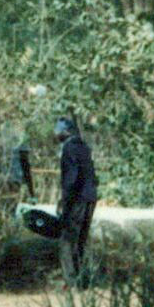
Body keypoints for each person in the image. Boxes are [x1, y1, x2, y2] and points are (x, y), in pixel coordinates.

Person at [54, 116, 98, 286]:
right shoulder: (84, 147)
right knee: (81, 240)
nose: (56, 135)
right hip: (90, 197)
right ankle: (83, 279)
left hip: (77, 199)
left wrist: (65, 201)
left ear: (65, 132)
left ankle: (71, 281)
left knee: (67, 240)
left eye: (58, 131)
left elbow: (72, 178)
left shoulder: (69, 148)